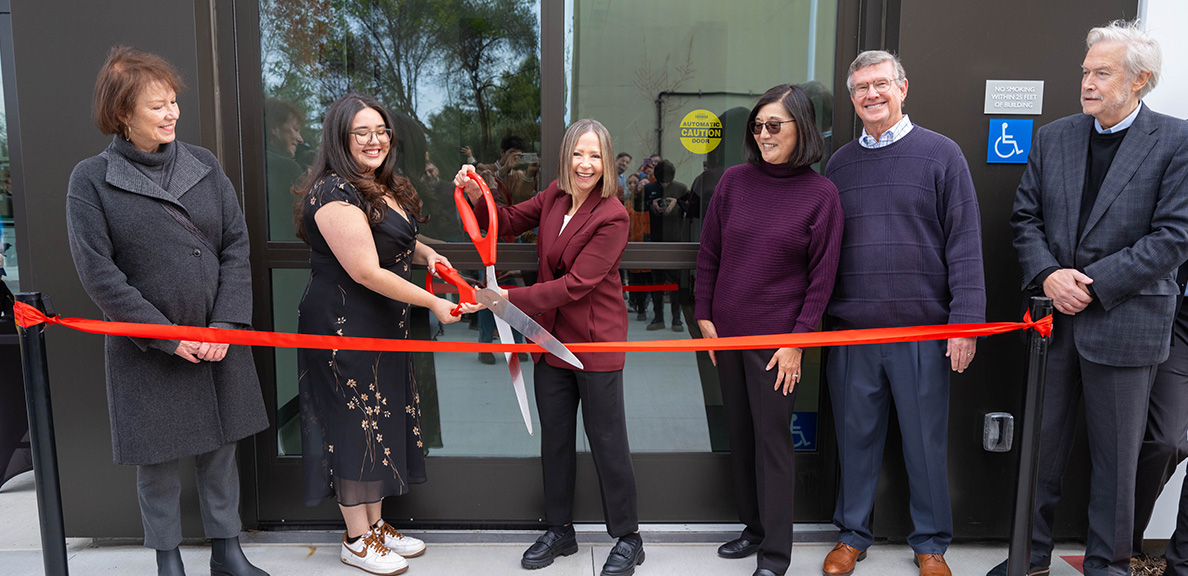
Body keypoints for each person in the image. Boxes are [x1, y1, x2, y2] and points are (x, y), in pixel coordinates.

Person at [66, 46, 269, 576]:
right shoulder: (91, 179)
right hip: (148, 346)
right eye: (157, 106)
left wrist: (226, 326)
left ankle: (228, 553)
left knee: (221, 451)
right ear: (121, 113)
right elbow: (99, 273)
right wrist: (166, 335)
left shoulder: (203, 162)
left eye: (173, 101)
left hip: (217, 337)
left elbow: (235, 245)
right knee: (155, 462)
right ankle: (168, 561)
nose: (172, 113)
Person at [1001, 20, 1188, 576]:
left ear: (1140, 81)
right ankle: (1027, 557)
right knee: (1040, 451)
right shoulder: (1054, 136)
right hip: (1052, 321)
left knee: (1116, 462)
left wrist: (1092, 284)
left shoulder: (1176, 140)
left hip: (1128, 322)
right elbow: (1025, 217)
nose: (1087, 82)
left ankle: (1107, 564)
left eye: (1102, 73)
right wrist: (1049, 275)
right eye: (1086, 71)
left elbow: (1174, 235)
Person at [294, 92, 481, 576]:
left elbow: (398, 239)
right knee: (352, 427)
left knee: (377, 423)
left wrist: (430, 257)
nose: (375, 141)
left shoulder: (377, 185)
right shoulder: (334, 192)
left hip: (382, 326)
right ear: (341, 137)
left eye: (381, 132)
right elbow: (365, 270)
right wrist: (435, 301)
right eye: (363, 132)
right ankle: (356, 539)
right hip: (344, 326)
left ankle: (376, 529)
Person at [453, 119, 643, 576]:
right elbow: (508, 221)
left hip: (594, 343)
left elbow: (575, 285)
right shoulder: (556, 194)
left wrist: (507, 301)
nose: (585, 163)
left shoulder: (613, 215)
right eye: (578, 153)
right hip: (549, 342)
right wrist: (478, 198)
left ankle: (629, 538)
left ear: (606, 161)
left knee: (607, 442)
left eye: (595, 155)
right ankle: (560, 530)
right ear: (566, 156)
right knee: (555, 442)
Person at [824, 51, 984, 576]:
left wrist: (965, 326)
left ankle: (931, 543)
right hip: (852, 334)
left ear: (903, 88)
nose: (871, 95)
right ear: (852, 98)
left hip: (923, 333)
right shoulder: (839, 165)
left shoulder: (942, 155)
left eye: (881, 85)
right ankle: (851, 536)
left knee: (924, 443)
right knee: (855, 440)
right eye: (861, 88)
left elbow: (964, 245)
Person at [696, 84, 842, 576]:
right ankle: (753, 529)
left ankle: (775, 555)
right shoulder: (733, 183)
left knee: (773, 443)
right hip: (727, 336)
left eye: (773, 125)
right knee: (740, 434)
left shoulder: (821, 195)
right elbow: (709, 254)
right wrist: (704, 317)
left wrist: (797, 341)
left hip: (779, 346)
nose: (762, 134)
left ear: (801, 128)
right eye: (757, 126)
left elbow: (822, 279)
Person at [643, 159, 688, 332]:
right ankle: (658, 317)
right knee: (657, 282)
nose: (664, 184)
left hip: (676, 241)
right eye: (661, 181)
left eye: (667, 182)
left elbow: (693, 209)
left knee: (676, 283)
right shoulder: (649, 189)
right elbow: (637, 206)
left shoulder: (681, 189)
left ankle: (677, 319)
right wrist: (651, 204)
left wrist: (678, 203)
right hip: (656, 240)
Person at [264, 97, 306, 241]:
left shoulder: (258, 162)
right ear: (274, 128)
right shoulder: (286, 168)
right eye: (295, 129)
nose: (300, 139)